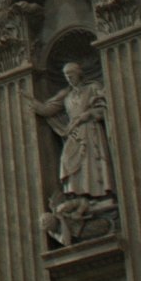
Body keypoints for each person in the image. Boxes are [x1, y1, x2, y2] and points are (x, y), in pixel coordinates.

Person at [31, 62, 114, 200]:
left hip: (90, 128)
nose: (69, 78)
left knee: (92, 161)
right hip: (74, 131)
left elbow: (105, 107)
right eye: (66, 76)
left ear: (79, 73)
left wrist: (88, 114)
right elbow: (47, 110)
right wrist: (29, 101)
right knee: (66, 159)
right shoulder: (67, 95)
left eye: (71, 74)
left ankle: (99, 195)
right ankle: (79, 195)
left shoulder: (93, 88)